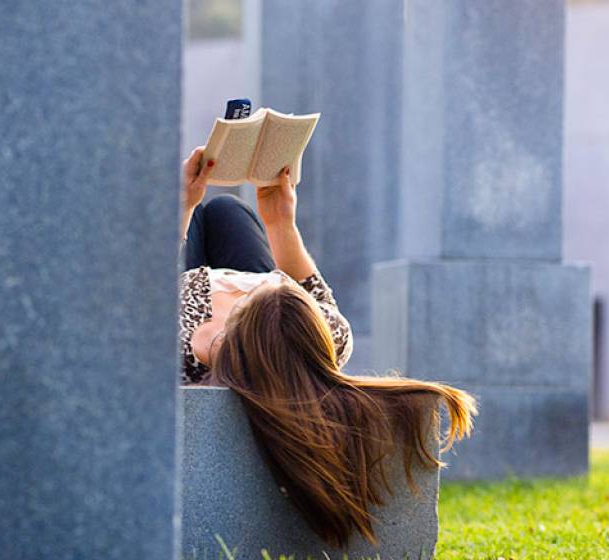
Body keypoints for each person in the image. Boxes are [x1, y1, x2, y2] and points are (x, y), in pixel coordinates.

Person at [179, 146, 477, 547]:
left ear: (230, 332)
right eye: (267, 281)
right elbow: (307, 291)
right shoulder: (331, 332)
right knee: (228, 211)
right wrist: (280, 220)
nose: (248, 282)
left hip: (181, 284)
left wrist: (180, 206)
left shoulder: (182, 338)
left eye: (250, 290)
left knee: (205, 213)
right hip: (262, 329)